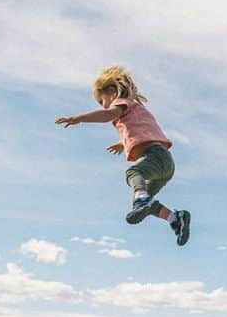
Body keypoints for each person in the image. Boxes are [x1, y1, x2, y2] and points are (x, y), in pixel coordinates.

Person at [56, 65, 191, 246]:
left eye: (101, 101)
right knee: (143, 203)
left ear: (111, 92)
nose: (103, 105)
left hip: (155, 156)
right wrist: (123, 143)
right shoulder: (137, 110)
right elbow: (143, 130)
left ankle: (143, 201)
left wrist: (77, 118)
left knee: (133, 174)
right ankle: (175, 218)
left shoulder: (122, 103)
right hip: (165, 163)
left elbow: (107, 115)